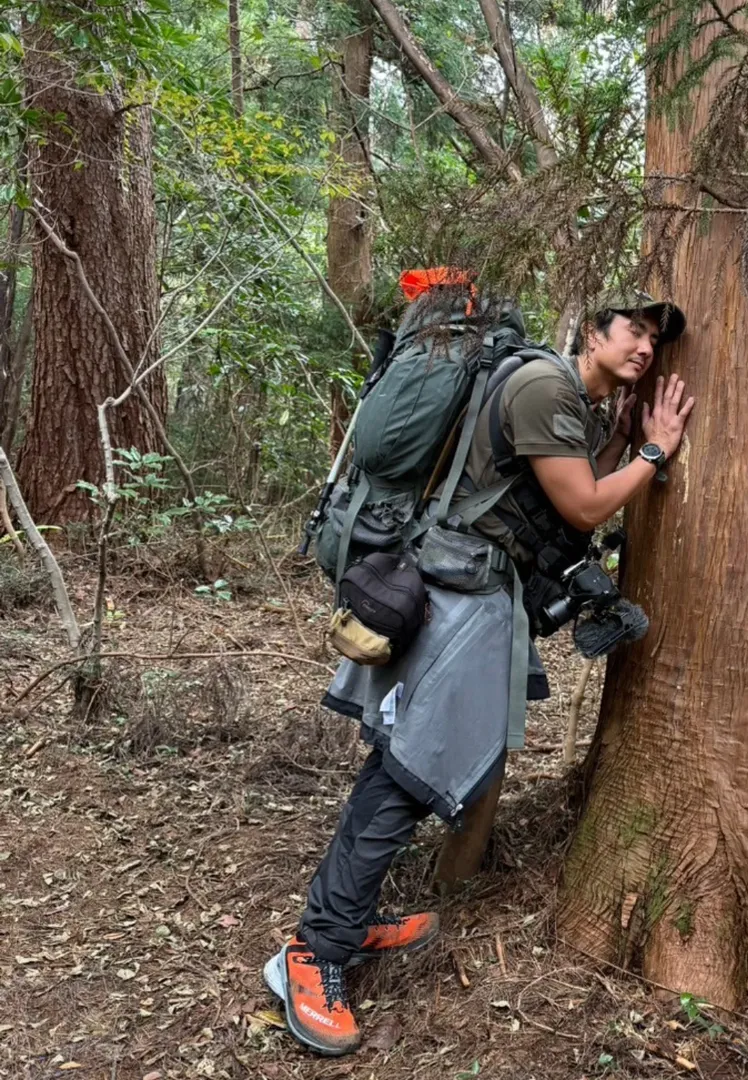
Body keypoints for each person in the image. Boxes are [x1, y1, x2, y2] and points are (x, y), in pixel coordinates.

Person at [264, 293, 695, 1055]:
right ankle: (314, 955)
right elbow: (588, 506)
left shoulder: (575, 404)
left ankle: (344, 919)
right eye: (634, 330)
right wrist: (654, 452)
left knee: (399, 765)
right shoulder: (541, 386)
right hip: (455, 598)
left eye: (657, 342)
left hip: (472, 594)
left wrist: (623, 437)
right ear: (592, 330)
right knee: (406, 772)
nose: (646, 350)